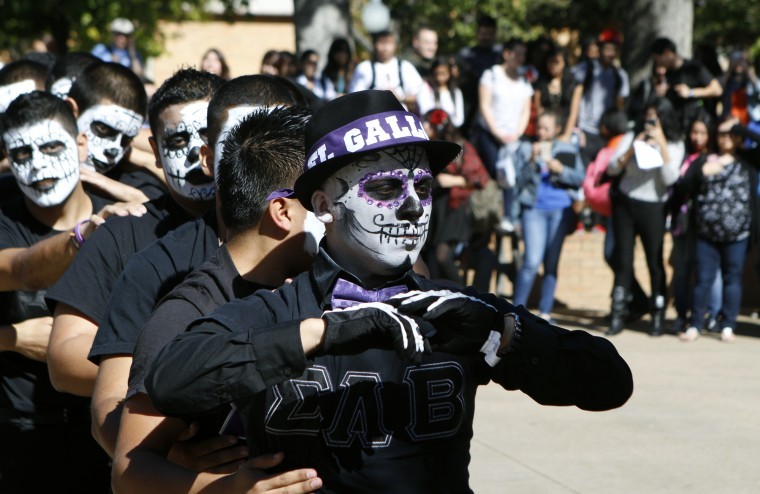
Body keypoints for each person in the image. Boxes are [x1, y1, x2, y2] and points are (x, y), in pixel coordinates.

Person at [146, 89, 633, 492]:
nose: (412, 208)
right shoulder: (275, 310)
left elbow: (610, 383)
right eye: (383, 188)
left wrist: (503, 334)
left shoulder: (457, 311)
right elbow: (170, 380)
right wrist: (322, 334)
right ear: (323, 203)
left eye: (423, 187)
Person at [88, 74, 311, 457]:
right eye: (244, 140)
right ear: (210, 158)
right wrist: (170, 462)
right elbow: (110, 409)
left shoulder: (328, 250)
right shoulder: (161, 268)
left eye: (281, 142)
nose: (260, 153)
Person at [45, 69, 223, 398]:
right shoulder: (122, 232)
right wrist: (190, 377)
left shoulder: (280, 222)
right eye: (178, 141)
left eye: (209, 137)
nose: (198, 157)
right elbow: (65, 358)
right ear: (155, 151)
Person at [0, 91, 143, 492]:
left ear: (81, 144)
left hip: (109, 425)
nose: (39, 165)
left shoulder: (127, 217)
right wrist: (10, 339)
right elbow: (22, 268)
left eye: (50, 146)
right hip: (19, 433)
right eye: (22, 154)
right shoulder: (4, 215)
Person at [675, 117, 759, 343]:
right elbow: (682, 186)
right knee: (703, 279)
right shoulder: (704, 160)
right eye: (722, 134)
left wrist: (739, 128)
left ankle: (728, 325)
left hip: (738, 235)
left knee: (733, 278)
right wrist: (702, 172)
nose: (726, 138)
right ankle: (696, 324)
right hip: (706, 234)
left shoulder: (748, 161)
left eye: (731, 134)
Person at [605, 97, 684, 337]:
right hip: (627, 205)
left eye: (656, 118)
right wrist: (632, 148)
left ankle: (657, 314)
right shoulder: (632, 136)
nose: (651, 123)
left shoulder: (674, 144)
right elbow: (611, 168)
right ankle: (617, 314)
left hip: (653, 208)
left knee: (654, 262)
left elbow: (671, 179)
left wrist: (661, 144)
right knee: (623, 262)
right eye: (648, 117)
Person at [512, 111, 585, 321]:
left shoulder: (567, 149)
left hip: (560, 209)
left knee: (551, 263)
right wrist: (532, 161)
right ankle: (517, 312)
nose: (541, 132)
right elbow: (518, 180)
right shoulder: (526, 148)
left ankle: (545, 311)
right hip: (534, 208)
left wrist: (561, 170)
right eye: (539, 127)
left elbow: (580, 178)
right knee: (531, 262)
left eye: (546, 128)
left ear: (557, 129)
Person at [67, 62, 167, 202]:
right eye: (103, 129)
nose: (113, 150)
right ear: (71, 111)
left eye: (126, 140)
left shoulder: (137, 184)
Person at [421, 109, 491, 286]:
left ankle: (467, 296)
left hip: (456, 209)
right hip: (434, 210)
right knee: (431, 261)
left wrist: (454, 180)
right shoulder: (423, 147)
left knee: (442, 255)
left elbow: (481, 178)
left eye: (428, 123)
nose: (424, 126)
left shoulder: (460, 146)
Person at [472, 38, 533, 233]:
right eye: (517, 53)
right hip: (490, 136)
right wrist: (498, 133)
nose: (521, 58)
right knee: (501, 174)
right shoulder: (491, 75)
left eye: (523, 54)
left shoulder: (524, 81)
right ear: (506, 54)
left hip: (513, 139)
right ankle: (499, 215)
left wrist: (517, 133)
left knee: (516, 174)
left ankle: (512, 216)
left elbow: (526, 111)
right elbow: (484, 106)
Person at [669, 114, 722, 334]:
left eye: (702, 133)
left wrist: (691, 179)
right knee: (681, 271)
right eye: (694, 132)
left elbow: (696, 184)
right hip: (683, 223)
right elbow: (679, 187)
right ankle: (682, 315)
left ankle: (711, 314)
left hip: (704, 225)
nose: (697, 137)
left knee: (709, 271)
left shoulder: (712, 158)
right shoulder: (684, 156)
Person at [575, 29, 630, 164]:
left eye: (614, 50)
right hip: (584, 131)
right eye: (607, 49)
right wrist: (576, 129)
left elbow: (620, 105)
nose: (610, 53)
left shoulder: (620, 75)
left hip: (605, 134)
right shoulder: (586, 69)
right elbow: (575, 99)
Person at [650, 37, 723, 131]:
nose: (657, 63)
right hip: (677, 126)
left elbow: (717, 90)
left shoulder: (694, 68)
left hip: (697, 126)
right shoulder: (665, 75)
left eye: (657, 60)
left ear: (667, 53)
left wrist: (690, 92)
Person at [349, 30, 423, 111]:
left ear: (395, 45)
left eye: (388, 43)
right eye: (381, 43)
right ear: (374, 45)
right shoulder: (364, 68)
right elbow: (354, 97)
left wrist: (400, 97)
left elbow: (419, 96)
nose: (385, 48)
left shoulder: (405, 67)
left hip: (400, 118)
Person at [458, 14, 502, 135]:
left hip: (495, 108)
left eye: (490, 33)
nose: (486, 37)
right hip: (470, 107)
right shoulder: (466, 55)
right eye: (483, 33)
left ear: (495, 34)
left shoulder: (501, 55)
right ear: (477, 34)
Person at [533, 47, 583, 143]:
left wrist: (566, 135)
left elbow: (574, 112)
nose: (553, 65)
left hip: (566, 130)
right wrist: (545, 131)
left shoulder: (574, 84)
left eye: (557, 62)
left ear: (564, 63)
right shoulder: (541, 83)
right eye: (550, 62)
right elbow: (539, 109)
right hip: (545, 132)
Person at [417, 56, 465, 128]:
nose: (440, 78)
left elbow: (459, 120)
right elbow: (424, 110)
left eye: (443, 74)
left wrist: (446, 119)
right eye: (437, 74)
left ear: (449, 73)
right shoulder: (426, 87)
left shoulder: (456, 92)